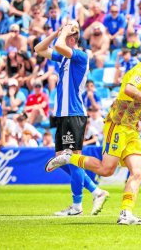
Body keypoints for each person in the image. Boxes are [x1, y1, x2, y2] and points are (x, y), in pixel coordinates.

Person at [45, 38, 141, 225]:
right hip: (117, 125)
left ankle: (126, 214)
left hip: (132, 129)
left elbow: (131, 101)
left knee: (139, 172)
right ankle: (69, 157)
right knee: (106, 170)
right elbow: (129, 89)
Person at [34, 22, 109, 216]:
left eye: (68, 35)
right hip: (63, 115)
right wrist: (55, 33)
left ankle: (77, 206)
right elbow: (38, 49)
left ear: (73, 39)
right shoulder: (64, 58)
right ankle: (96, 190)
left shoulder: (80, 56)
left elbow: (59, 46)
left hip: (73, 113)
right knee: (63, 158)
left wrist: (67, 31)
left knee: (72, 159)